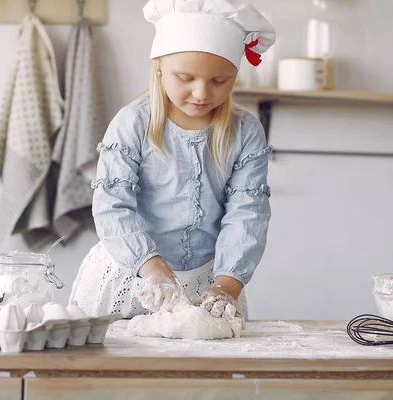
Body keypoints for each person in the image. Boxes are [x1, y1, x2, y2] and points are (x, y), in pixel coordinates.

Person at [69, 0, 276, 321]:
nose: (201, 93)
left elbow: (247, 215)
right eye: (185, 77)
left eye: (220, 80)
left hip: (210, 287)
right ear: (159, 66)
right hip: (131, 276)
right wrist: (155, 273)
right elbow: (113, 206)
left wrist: (226, 286)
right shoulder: (132, 124)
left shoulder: (245, 132)